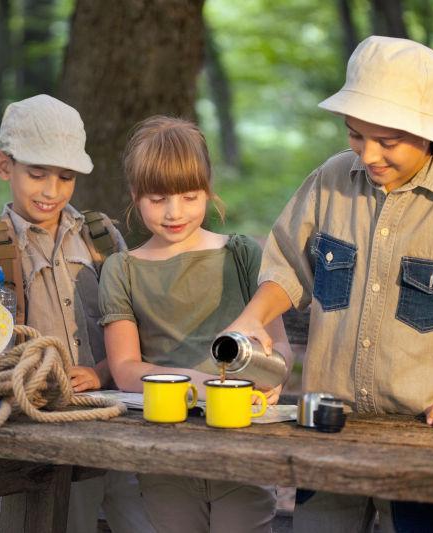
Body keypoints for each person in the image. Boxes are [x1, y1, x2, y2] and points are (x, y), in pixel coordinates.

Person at [226, 35, 433, 533]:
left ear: (428, 133)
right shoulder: (329, 180)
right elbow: (288, 267)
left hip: (424, 439)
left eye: (388, 141)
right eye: (356, 135)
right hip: (329, 424)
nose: (368, 155)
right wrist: (254, 316)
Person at [0, 94, 152, 533]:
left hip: (117, 413)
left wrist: (104, 370)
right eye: (37, 173)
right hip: (42, 428)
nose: (51, 190)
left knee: (143, 516)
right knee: (65, 517)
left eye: (65, 177)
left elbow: (137, 320)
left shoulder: (100, 239)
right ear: (4, 166)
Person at [98, 115, 292, 533]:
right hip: (166, 448)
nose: (174, 213)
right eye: (157, 198)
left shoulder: (240, 255)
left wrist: (275, 374)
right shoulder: (122, 270)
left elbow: (277, 344)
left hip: (242, 444)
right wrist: (193, 382)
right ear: (134, 195)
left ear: (207, 189)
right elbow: (126, 368)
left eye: (189, 196)